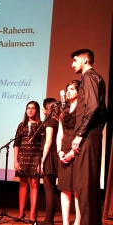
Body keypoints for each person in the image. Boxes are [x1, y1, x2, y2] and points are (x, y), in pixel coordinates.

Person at [70, 49, 107, 225]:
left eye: (75, 60)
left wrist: (80, 133)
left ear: (85, 60)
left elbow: (92, 107)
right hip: (92, 135)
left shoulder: (90, 77)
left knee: (85, 187)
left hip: (88, 136)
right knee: (87, 186)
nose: (72, 64)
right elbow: (103, 111)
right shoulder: (93, 78)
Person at [13, 101, 42, 224]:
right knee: (23, 184)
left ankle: (32, 215)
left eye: (33, 108)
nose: (30, 110)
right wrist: (15, 160)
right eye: (28, 108)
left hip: (36, 158)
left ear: (37, 110)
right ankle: (21, 212)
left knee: (34, 185)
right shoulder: (21, 125)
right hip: (23, 158)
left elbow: (43, 144)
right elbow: (16, 144)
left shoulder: (41, 125)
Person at [56, 80, 81, 225]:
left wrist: (72, 153)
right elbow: (60, 133)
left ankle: (77, 221)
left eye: (72, 89)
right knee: (65, 188)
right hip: (64, 149)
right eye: (67, 89)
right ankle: (66, 222)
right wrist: (59, 151)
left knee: (77, 188)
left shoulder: (82, 109)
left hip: (77, 149)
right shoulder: (64, 110)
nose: (68, 92)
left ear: (79, 91)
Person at [39, 98, 60, 225]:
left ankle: (48, 220)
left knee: (49, 188)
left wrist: (42, 161)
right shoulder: (58, 121)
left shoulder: (50, 122)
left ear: (48, 108)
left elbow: (48, 142)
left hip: (50, 157)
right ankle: (49, 219)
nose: (42, 110)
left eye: (43, 107)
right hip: (56, 156)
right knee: (52, 189)